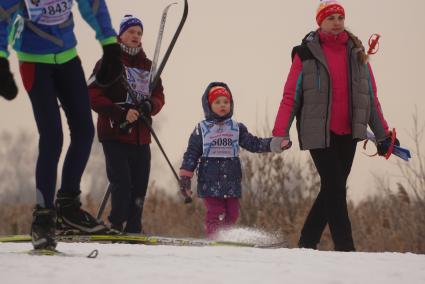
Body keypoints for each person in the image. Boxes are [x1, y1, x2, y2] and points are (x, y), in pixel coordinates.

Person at [272, 0, 400, 251]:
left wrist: (383, 135)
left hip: (349, 133)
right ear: (320, 22)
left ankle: (307, 243)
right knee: (335, 187)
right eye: (330, 18)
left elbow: (370, 98)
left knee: (333, 187)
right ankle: (346, 248)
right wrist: (280, 132)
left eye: (340, 17)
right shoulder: (305, 53)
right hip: (318, 133)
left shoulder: (357, 53)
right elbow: (291, 96)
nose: (336, 22)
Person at [0, 0, 123, 250]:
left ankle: (68, 207)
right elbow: (3, 15)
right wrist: (1, 58)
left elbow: (93, 5)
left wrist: (110, 44)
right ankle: (43, 218)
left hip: (68, 57)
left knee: (84, 132)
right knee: (52, 137)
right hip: (34, 61)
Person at [88, 15, 165, 234]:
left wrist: (151, 105)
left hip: (142, 134)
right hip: (115, 132)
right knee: (122, 183)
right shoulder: (107, 63)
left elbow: (159, 95)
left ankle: (134, 228)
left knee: (140, 185)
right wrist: (120, 113)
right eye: (131, 32)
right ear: (121, 35)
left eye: (139, 33)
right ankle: (116, 224)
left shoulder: (148, 66)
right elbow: (92, 94)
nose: (135, 36)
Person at [179, 82, 286, 238]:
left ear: (231, 104)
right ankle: (214, 238)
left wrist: (274, 144)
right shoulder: (201, 129)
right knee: (217, 212)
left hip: (231, 180)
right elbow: (191, 154)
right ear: (209, 105)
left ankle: (226, 238)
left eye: (226, 102)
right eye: (217, 102)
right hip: (210, 180)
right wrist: (185, 178)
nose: (222, 105)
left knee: (233, 213)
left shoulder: (236, 128)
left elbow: (253, 143)